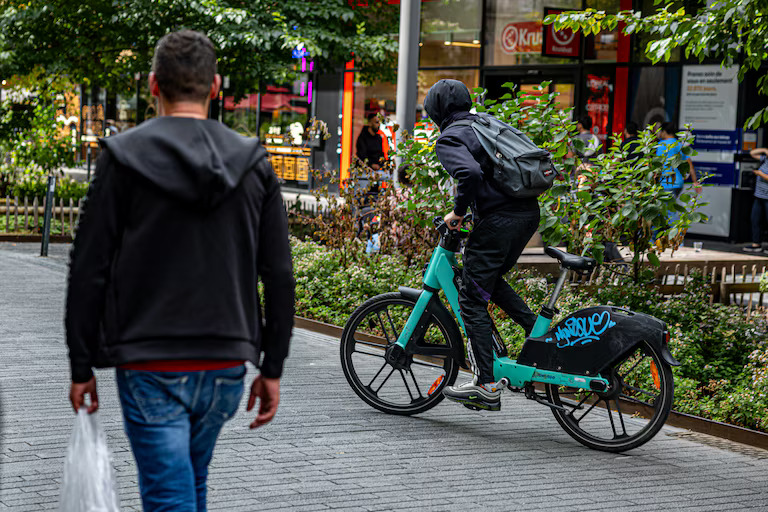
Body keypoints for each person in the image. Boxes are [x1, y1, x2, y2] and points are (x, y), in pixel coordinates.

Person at [65, 30, 295, 512]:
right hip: (226, 365)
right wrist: (271, 367)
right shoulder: (255, 164)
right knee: (191, 485)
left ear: (153, 85)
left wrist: (81, 365)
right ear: (214, 86)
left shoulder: (122, 159)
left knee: (170, 497)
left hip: (150, 362)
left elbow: (88, 268)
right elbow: (278, 274)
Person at [424, 79, 540, 412]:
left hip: (499, 220)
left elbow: (471, 174)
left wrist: (458, 213)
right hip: (528, 213)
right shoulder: (485, 122)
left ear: (436, 111)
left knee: (471, 298)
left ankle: (486, 384)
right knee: (486, 280)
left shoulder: (449, 137)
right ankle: (539, 332)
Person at [657, 121, 702, 197]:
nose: (659, 134)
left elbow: (657, 165)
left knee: (666, 207)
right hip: (678, 183)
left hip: (666, 183)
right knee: (672, 206)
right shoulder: (679, 144)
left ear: (664, 132)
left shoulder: (661, 145)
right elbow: (689, 165)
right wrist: (695, 182)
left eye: (660, 131)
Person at [743, 147, 768, 253]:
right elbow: (752, 153)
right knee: (755, 219)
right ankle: (756, 244)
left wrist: (759, 174)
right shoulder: (765, 159)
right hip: (759, 195)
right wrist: (765, 150)